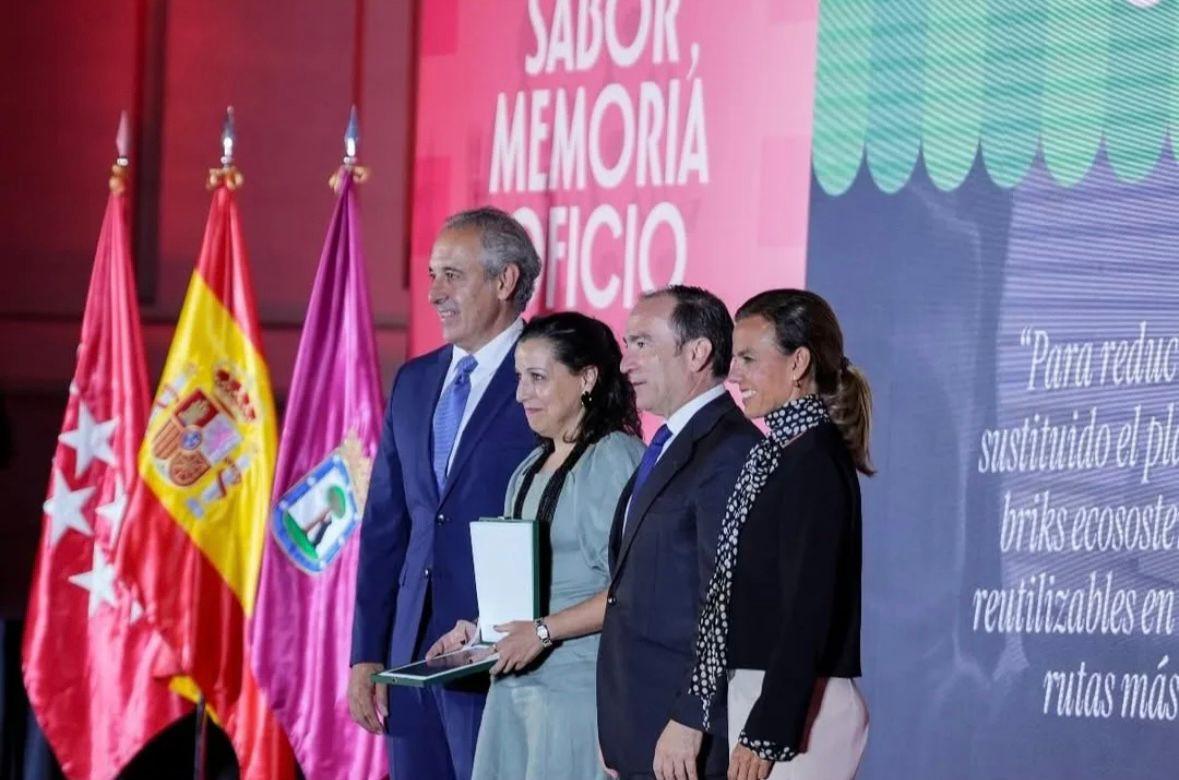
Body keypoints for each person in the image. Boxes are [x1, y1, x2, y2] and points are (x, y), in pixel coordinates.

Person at [347, 207, 541, 780]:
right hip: (409, 662)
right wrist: (367, 652)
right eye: (432, 274)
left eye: (452, 275)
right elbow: (386, 528)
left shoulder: (548, 376)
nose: (434, 293)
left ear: (505, 281)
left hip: (502, 659)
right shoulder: (413, 381)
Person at [428, 311, 644, 780]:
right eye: (520, 378)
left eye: (538, 378)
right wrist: (477, 631)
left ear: (587, 378)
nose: (522, 393)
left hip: (577, 696)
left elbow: (633, 591)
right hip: (513, 691)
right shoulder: (528, 467)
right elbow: (523, 590)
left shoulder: (615, 459)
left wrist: (542, 632)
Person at [687, 289, 871, 780]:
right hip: (766, 696)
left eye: (748, 358)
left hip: (797, 709)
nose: (734, 374)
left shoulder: (814, 461)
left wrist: (769, 727)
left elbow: (808, 606)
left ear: (798, 364)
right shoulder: (780, 455)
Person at [597, 286, 763, 780]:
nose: (627, 364)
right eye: (627, 345)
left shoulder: (731, 450)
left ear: (698, 353)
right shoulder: (666, 443)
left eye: (642, 344)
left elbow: (728, 598)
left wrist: (692, 716)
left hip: (685, 735)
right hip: (636, 723)